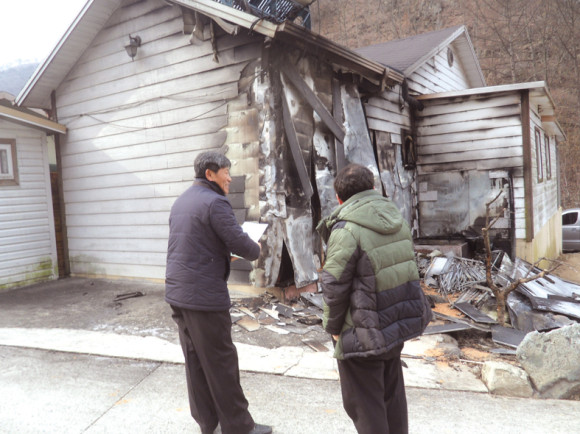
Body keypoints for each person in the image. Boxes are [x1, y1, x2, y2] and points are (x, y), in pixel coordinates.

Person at [316, 163, 432, 434]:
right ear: (373, 188)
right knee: (392, 398)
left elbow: (334, 284)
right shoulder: (396, 218)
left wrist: (333, 329)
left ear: (339, 198)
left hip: (363, 330)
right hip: (394, 324)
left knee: (366, 407)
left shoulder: (347, 229)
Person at [165, 151, 272, 434]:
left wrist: (223, 254)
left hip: (179, 294)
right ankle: (239, 427)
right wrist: (255, 248)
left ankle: (207, 422)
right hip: (204, 298)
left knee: (196, 362)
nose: (230, 178)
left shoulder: (181, 201)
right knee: (222, 363)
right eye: (226, 172)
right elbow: (242, 244)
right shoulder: (215, 202)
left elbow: (196, 244)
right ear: (210, 174)